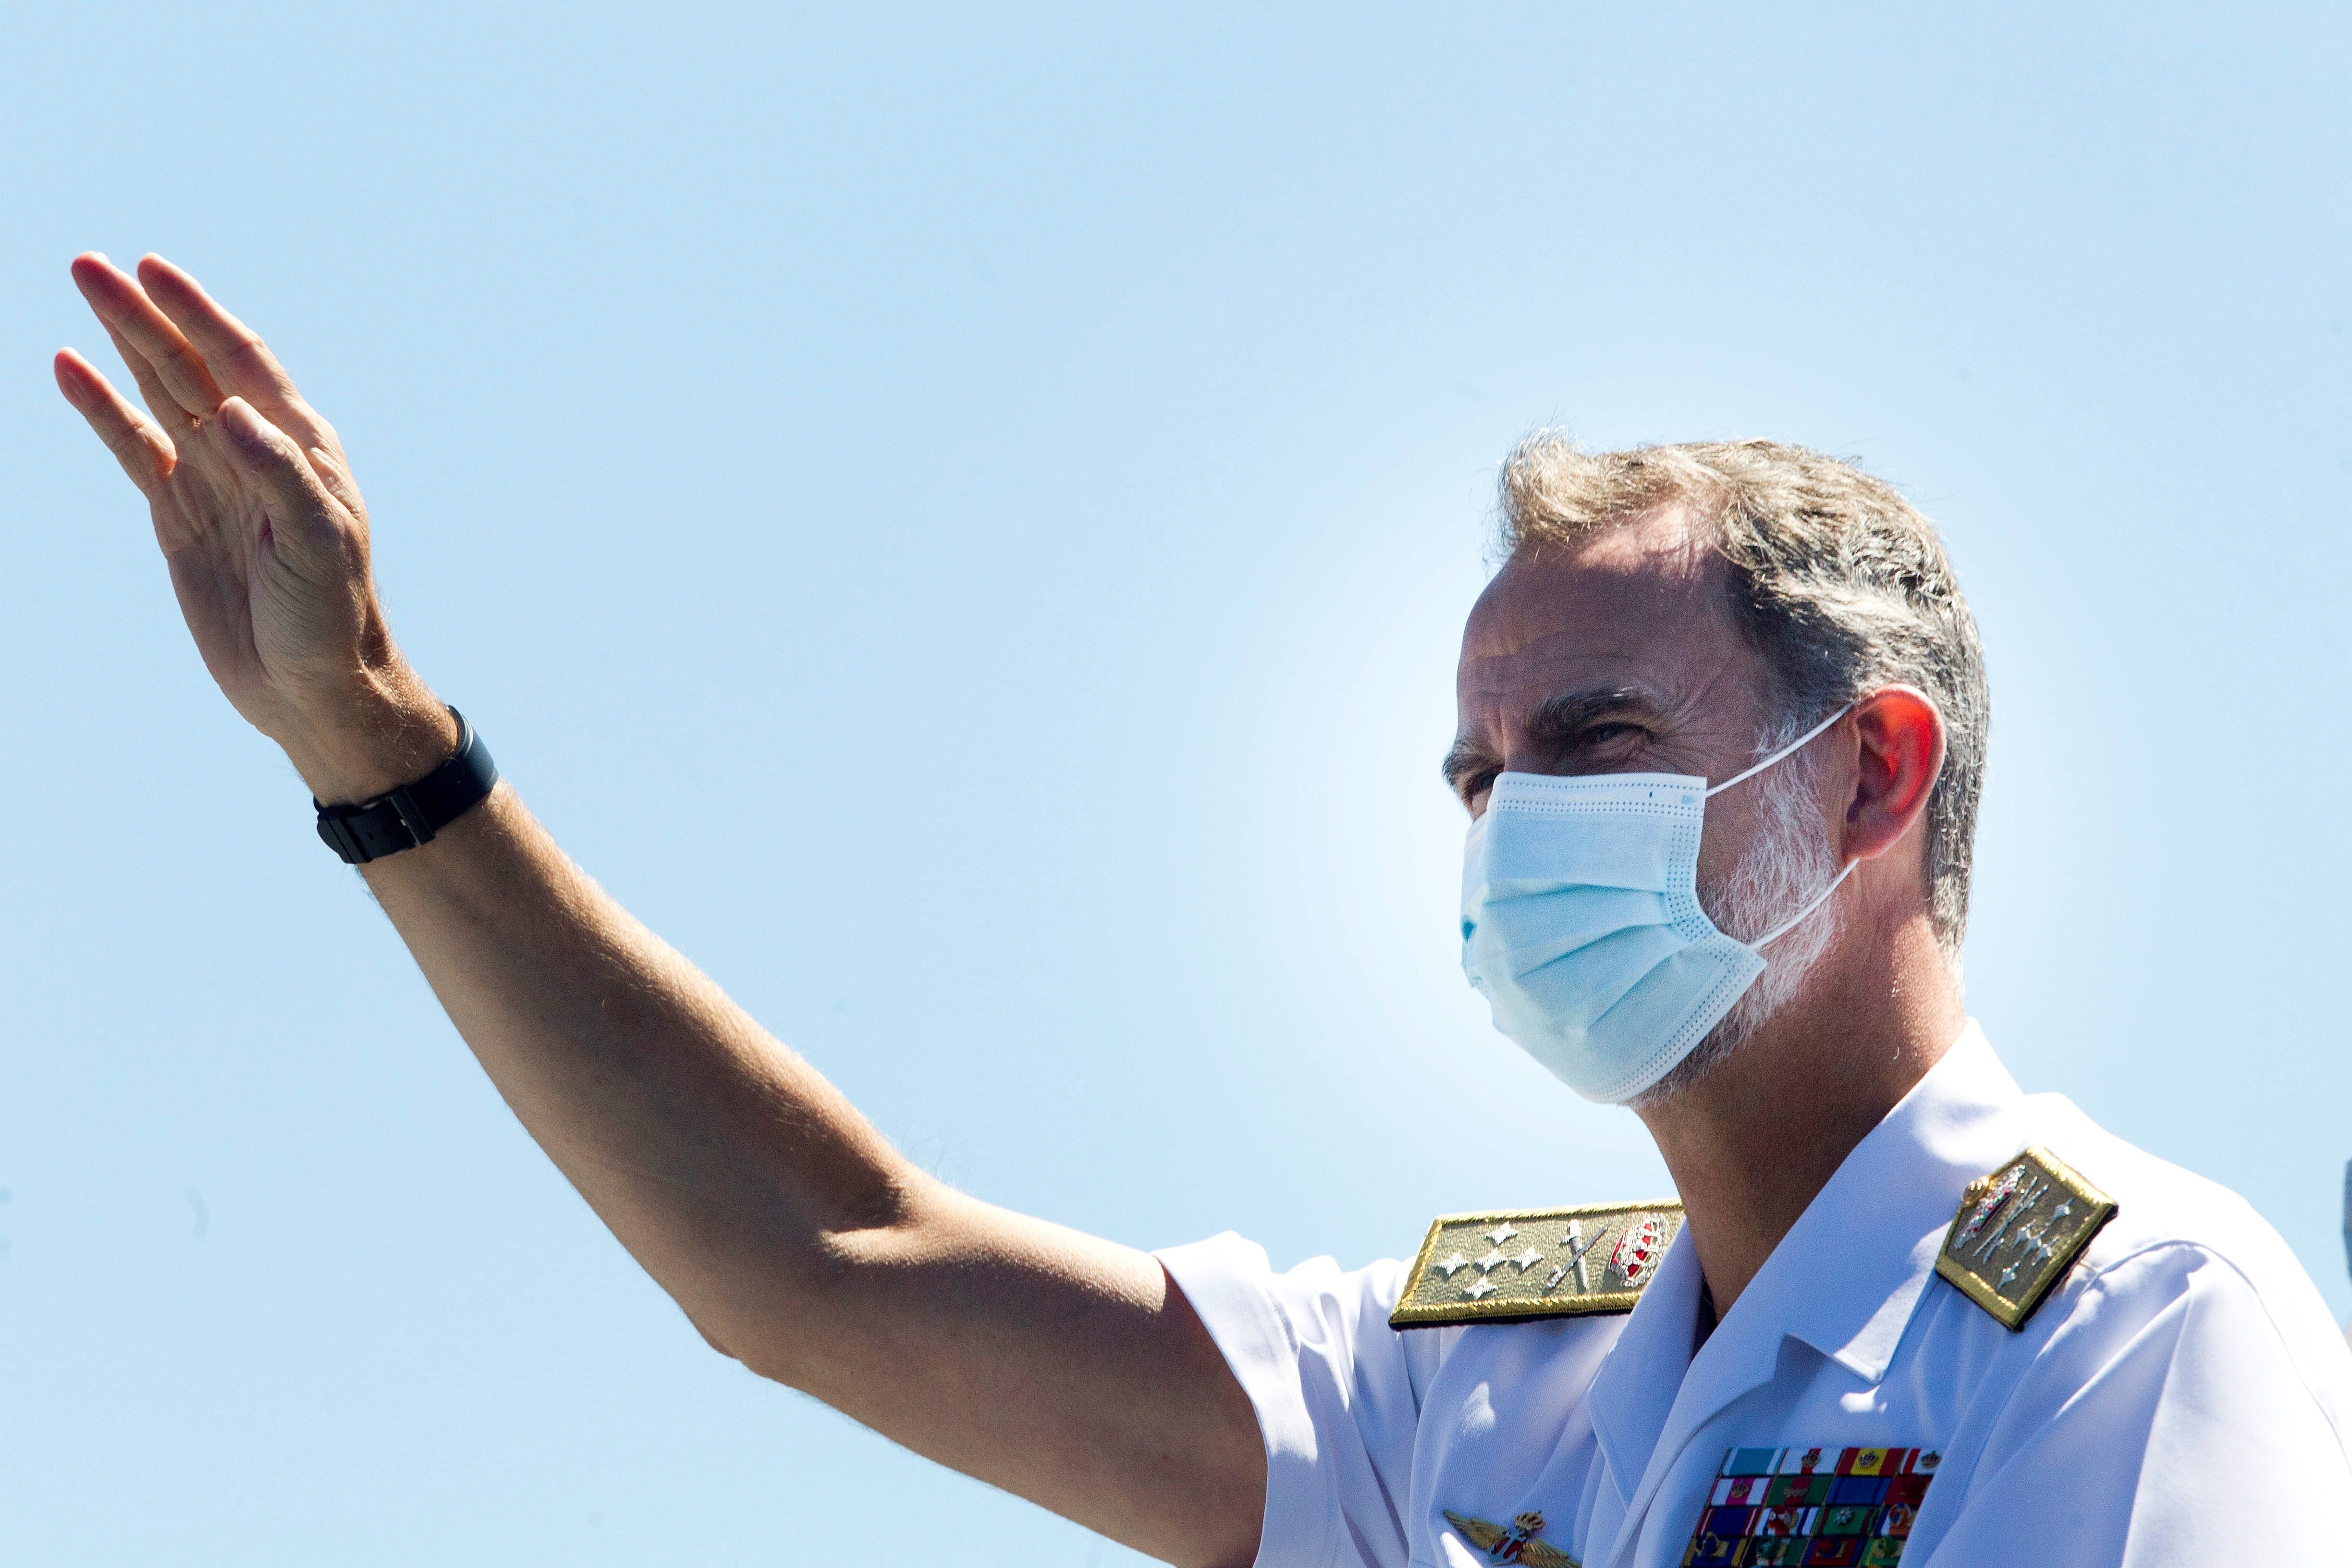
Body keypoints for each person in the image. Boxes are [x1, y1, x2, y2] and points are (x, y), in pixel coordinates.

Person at [53, 252, 2352, 1568]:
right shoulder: (1501, 1384)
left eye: (1590, 750)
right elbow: (818, 1269)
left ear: (1867, 774)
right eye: (1474, 774)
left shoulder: (2133, 1327)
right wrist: (379, 757)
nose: (1504, 832)